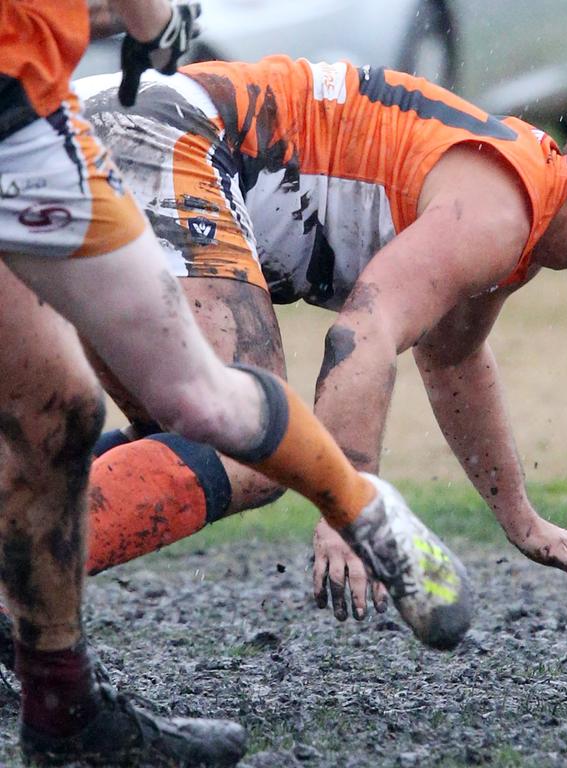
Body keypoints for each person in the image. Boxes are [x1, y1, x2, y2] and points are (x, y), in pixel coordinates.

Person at [65, 53, 567, 622]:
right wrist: (347, 507)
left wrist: (521, 520)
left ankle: (28, 578)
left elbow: (453, 359)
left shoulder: (520, 216)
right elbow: (364, 331)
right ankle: (23, 589)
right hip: (160, 132)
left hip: (110, 123)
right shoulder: (503, 210)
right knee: (245, 436)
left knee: (173, 432)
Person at [0, 1, 469, 765]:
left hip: (24, 117)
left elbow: (457, 347)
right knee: (198, 399)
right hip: (33, 112)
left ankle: (64, 718)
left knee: (62, 411)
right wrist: (155, 25)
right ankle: (361, 506)